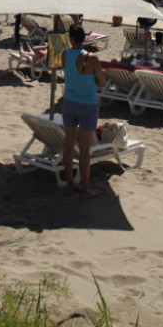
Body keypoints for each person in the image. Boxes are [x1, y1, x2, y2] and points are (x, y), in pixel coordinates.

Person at [62, 24, 106, 200]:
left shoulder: (64, 55)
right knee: (85, 149)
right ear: (84, 39)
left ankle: (70, 185)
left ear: (71, 39)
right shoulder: (92, 58)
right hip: (87, 104)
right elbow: (102, 81)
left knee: (68, 145)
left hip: (69, 102)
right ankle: (85, 190)